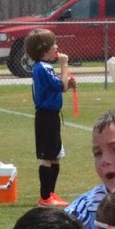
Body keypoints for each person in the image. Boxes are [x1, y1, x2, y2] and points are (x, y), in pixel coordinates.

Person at [24, 29, 75, 207]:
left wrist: (68, 83)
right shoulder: (42, 68)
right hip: (45, 117)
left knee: (55, 155)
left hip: (52, 116)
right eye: (54, 44)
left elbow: (60, 86)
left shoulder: (45, 67)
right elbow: (60, 86)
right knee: (47, 156)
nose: (57, 47)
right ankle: (45, 197)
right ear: (44, 48)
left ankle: (51, 193)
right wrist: (64, 65)